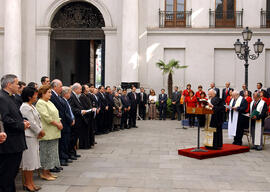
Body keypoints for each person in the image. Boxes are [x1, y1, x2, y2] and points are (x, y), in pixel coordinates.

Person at [0, 74, 30, 192]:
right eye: (17, 83)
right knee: (6, 174)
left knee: (11, 173)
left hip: (15, 142)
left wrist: (23, 121)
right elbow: (5, 119)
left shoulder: (11, 97)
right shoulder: (2, 98)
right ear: (9, 84)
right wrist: (21, 125)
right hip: (9, 143)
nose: (19, 86)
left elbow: (13, 115)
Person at [20, 86, 45, 191]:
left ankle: (31, 182)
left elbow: (38, 120)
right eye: (35, 94)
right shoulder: (25, 107)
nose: (36, 96)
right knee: (28, 161)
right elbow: (31, 122)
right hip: (28, 136)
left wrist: (40, 130)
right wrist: (39, 131)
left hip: (34, 136)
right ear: (30, 96)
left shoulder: (32, 106)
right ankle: (27, 183)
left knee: (33, 160)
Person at [36, 85, 63, 181]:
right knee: (46, 153)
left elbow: (56, 114)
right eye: (49, 92)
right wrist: (57, 124)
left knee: (52, 153)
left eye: (51, 92)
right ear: (43, 93)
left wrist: (59, 122)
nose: (51, 94)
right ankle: (44, 173)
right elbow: (46, 117)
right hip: (47, 131)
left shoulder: (49, 102)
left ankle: (48, 172)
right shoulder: (40, 103)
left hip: (54, 131)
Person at [50, 79, 73, 167]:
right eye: (60, 86)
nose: (61, 88)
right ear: (55, 87)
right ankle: (61, 158)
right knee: (62, 142)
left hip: (64, 122)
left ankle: (63, 157)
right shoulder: (53, 96)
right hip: (60, 122)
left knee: (64, 141)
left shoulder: (58, 96)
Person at [69, 83, 92, 149]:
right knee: (73, 137)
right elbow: (72, 108)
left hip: (79, 118)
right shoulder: (72, 96)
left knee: (75, 136)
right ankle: (71, 152)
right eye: (80, 89)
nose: (81, 91)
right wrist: (80, 111)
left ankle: (73, 152)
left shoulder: (75, 95)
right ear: (75, 89)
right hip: (76, 118)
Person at [60, 86, 76, 160]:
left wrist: (73, 118)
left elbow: (70, 111)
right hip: (66, 124)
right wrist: (71, 120)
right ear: (65, 94)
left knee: (67, 141)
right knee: (64, 142)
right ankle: (64, 157)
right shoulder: (62, 101)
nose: (70, 94)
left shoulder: (66, 101)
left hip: (69, 123)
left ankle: (67, 155)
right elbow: (65, 113)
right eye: (69, 93)